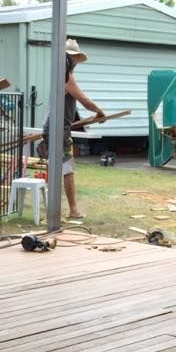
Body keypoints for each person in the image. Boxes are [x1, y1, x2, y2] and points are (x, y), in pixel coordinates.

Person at [41, 38, 105, 219]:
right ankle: (73, 210)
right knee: (67, 169)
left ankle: (53, 210)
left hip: (54, 127)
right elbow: (85, 100)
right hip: (58, 129)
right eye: (73, 58)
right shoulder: (66, 77)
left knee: (56, 168)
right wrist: (99, 111)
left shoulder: (60, 74)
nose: (75, 61)